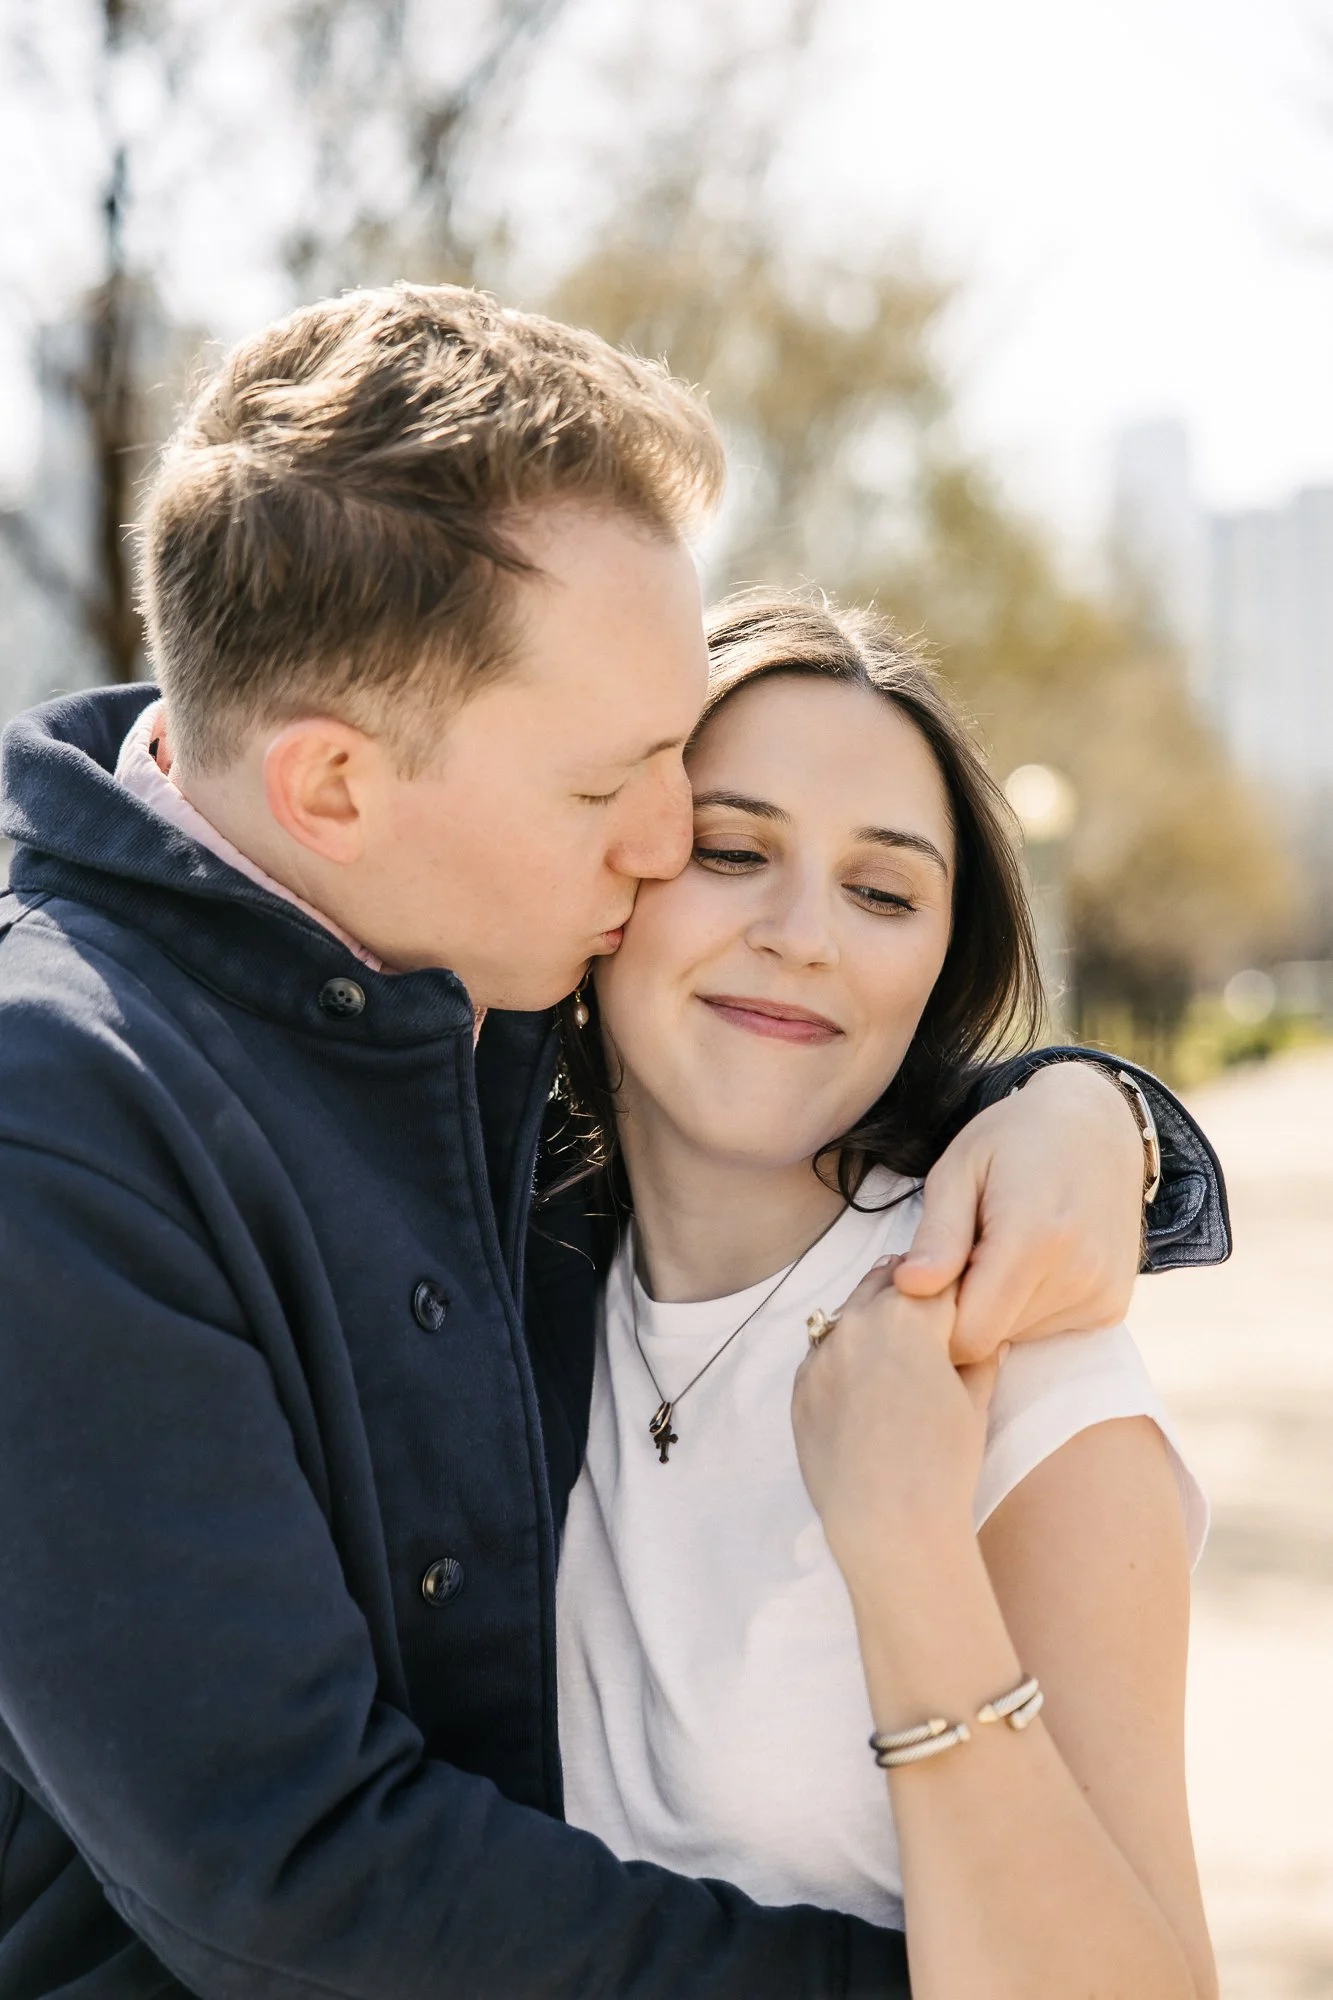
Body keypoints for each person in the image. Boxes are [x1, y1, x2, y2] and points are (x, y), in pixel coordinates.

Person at [0, 284, 1225, 2000]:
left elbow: (783, 1048)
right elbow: (296, 1877)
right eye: (622, 791)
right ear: (331, 789)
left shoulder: (468, 953)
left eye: (675, 762)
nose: (660, 844)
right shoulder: (61, 1133)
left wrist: (1100, 1117)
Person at [554, 591, 1217, 1999]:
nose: (806, 936)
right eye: (732, 851)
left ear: (940, 966)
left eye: (884, 892)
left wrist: (906, 1549)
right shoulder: (503, 1286)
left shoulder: (1014, 1352)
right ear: (608, 872)